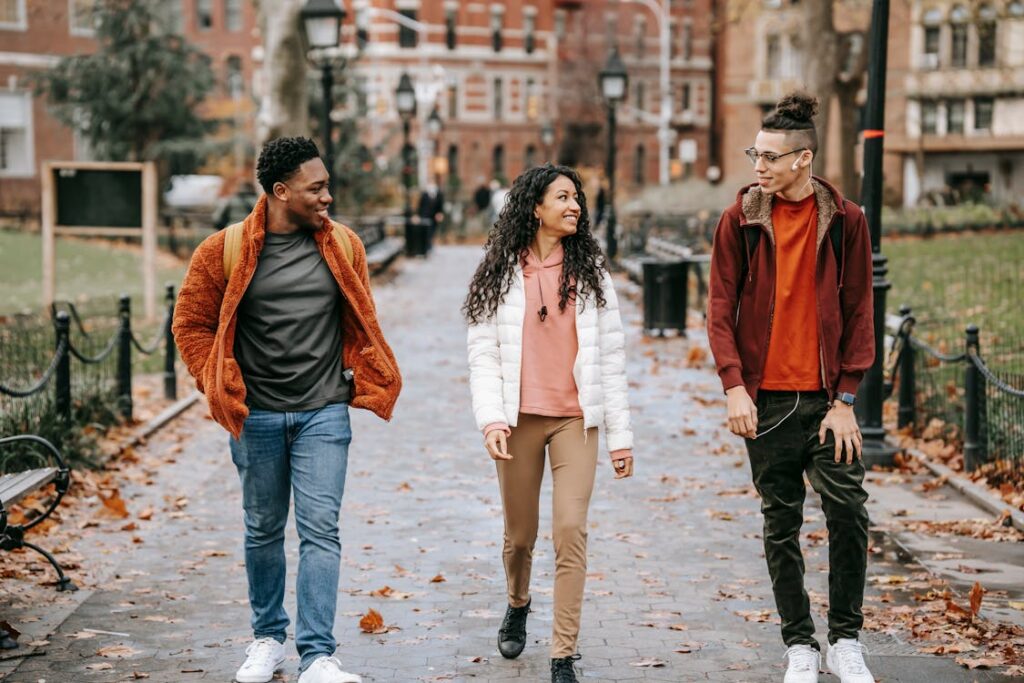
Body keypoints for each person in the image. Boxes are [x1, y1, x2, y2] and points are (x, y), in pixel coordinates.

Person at [172, 137, 402, 683]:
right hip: (256, 416)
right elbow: (190, 324)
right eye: (315, 188)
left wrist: (362, 373)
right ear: (280, 191)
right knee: (263, 529)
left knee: (321, 530)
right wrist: (218, 382)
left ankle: (318, 655)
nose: (327, 196)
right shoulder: (223, 250)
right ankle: (268, 639)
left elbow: (360, 320)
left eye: (327, 186)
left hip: (324, 411)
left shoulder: (343, 246)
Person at [706, 93, 875, 683]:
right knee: (781, 524)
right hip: (767, 403)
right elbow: (720, 309)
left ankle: (846, 640)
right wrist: (734, 386)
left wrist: (847, 399)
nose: (759, 165)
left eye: (770, 157)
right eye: (755, 154)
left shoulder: (846, 221)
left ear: (803, 159)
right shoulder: (740, 220)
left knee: (848, 512)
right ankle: (799, 643)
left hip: (828, 404)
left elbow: (860, 311)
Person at [464, 163, 634, 683]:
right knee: (520, 537)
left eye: (576, 197)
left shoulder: (591, 272)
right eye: (563, 197)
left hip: (576, 422)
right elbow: (483, 353)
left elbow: (611, 356)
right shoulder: (499, 271)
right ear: (535, 208)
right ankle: (518, 602)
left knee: (569, 530)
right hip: (518, 420)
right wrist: (492, 419)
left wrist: (620, 438)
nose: (575, 205)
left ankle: (563, 653)